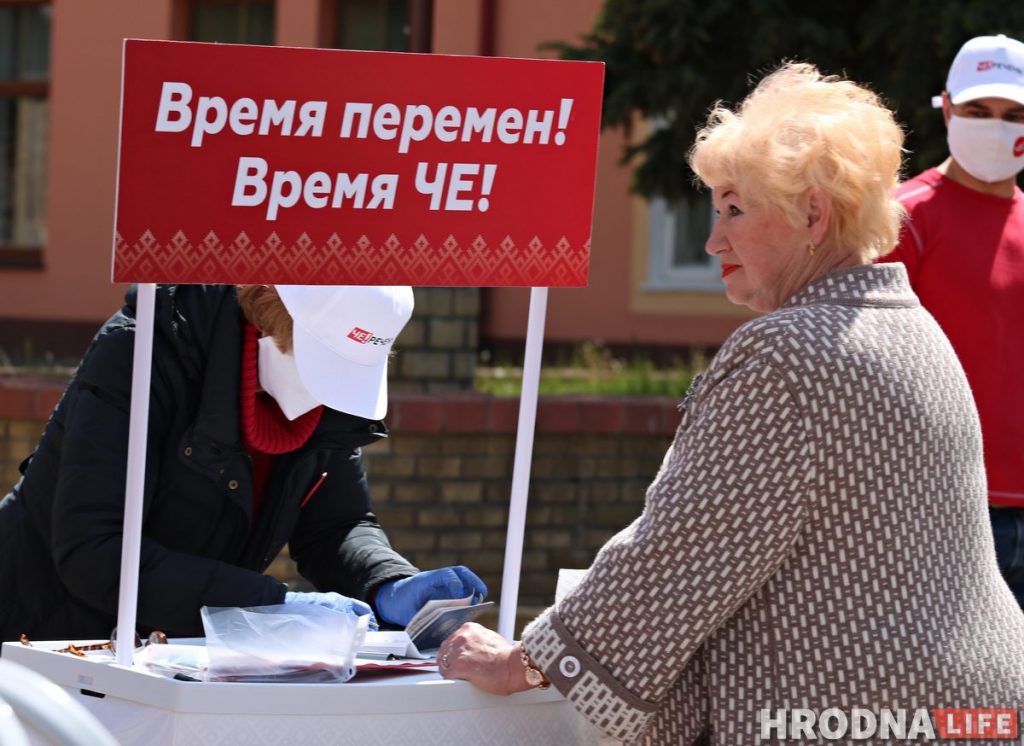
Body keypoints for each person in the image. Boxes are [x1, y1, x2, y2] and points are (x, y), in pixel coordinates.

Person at [439, 63, 1024, 744]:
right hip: (971, 707)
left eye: (735, 209)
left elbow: (682, 552)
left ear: (812, 212)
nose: (714, 240)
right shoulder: (910, 325)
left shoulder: (784, 354)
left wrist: (530, 661)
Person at [0, 283, 486, 643]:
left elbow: (336, 524)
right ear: (273, 313)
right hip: (38, 636)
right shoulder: (143, 351)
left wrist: (388, 582)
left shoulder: (327, 405)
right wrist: (269, 604)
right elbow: (94, 550)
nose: (327, 392)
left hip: (170, 649)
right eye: (323, 364)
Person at [879, 34, 1024, 607]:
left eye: (1015, 114)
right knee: (952, 702)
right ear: (945, 105)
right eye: (978, 111)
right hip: (940, 513)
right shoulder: (899, 221)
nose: (996, 127)